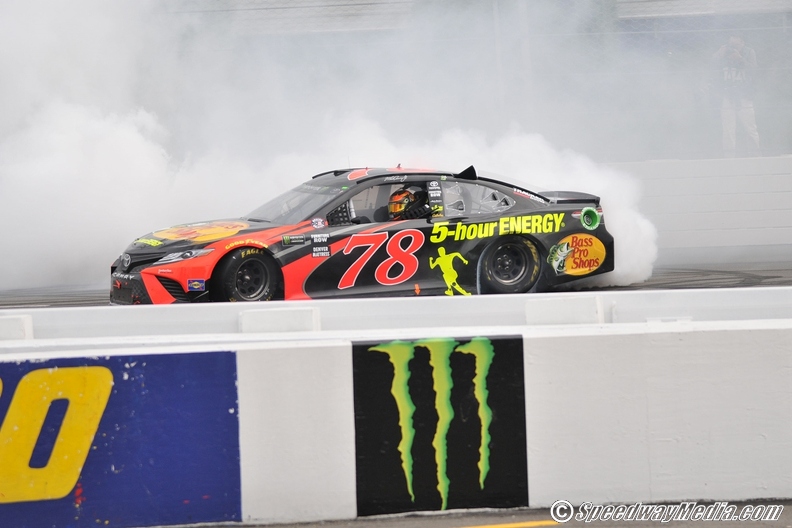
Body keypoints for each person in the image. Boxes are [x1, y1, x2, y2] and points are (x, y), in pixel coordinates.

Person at [712, 34, 761, 157]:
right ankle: (729, 157)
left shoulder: (749, 52)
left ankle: (755, 155)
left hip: (744, 95)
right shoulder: (723, 53)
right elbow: (711, 68)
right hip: (727, 95)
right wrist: (718, 55)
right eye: (731, 45)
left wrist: (740, 59)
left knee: (750, 127)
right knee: (728, 129)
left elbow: (754, 71)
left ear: (742, 43)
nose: (733, 48)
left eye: (736, 45)